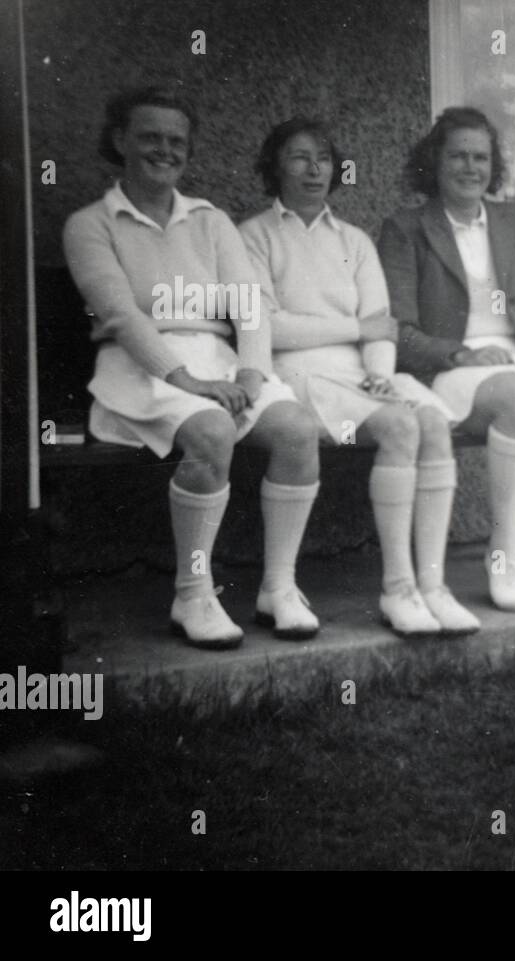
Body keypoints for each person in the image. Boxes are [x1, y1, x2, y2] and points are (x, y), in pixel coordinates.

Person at [62, 86, 321, 649]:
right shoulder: (91, 224)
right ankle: (194, 594)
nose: (165, 149)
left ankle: (279, 588)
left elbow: (250, 305)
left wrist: (250, 375)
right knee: (212, 431)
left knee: (298, 430)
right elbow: (120, 315)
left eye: (176, 140)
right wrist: (187, 381)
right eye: (150, 137)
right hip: (139, 370)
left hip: (220, 365)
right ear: (119, 141)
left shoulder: (210, 221)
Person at [240, 117, 479, 638]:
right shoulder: (254, 236)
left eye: (323, 158)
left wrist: (378, 373)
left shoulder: (354, 240)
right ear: (275, 166)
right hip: (298, 375)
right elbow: (267, 325)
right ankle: (397, 589)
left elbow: (382, 323)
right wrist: (354, 328)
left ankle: (431, 586)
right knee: (398, 427)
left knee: (432, 425)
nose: (313, 169)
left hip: (358, 375)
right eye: (299, 157)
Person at [379, 107, 515, 612]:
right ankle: (503, 550)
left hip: (514, 357)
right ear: (435, 161)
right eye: (458, 156)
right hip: (450, 368)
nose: (471, 167)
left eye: (481, 157)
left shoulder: (512, 220)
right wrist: (462, 353)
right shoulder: (407, 228)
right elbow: (397, 329)